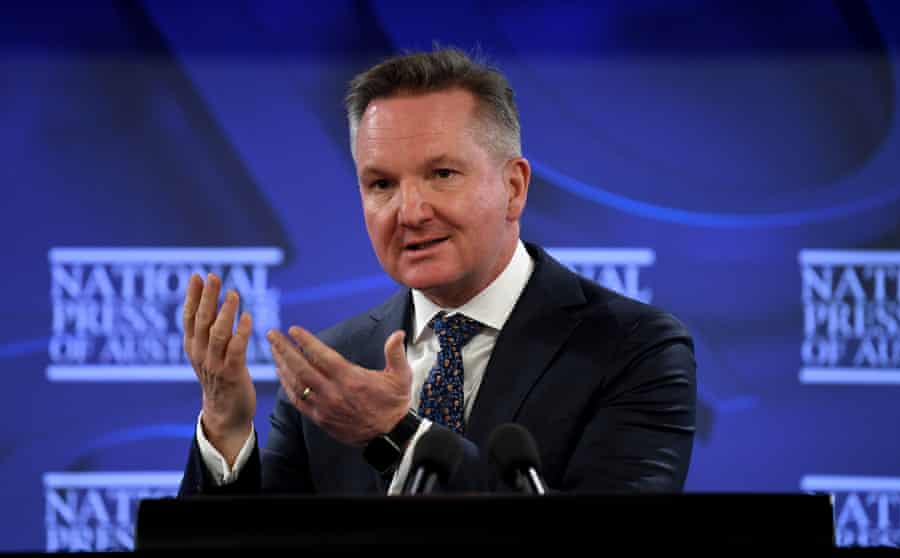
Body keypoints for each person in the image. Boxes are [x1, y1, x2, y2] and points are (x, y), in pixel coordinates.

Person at [177, 47, 697, 497]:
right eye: (381, 184)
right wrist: (226, 430)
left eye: (442, 174)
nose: (410, 211)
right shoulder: (332, 370)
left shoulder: (634, 349)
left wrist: (398, 438)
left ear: (513, 187)